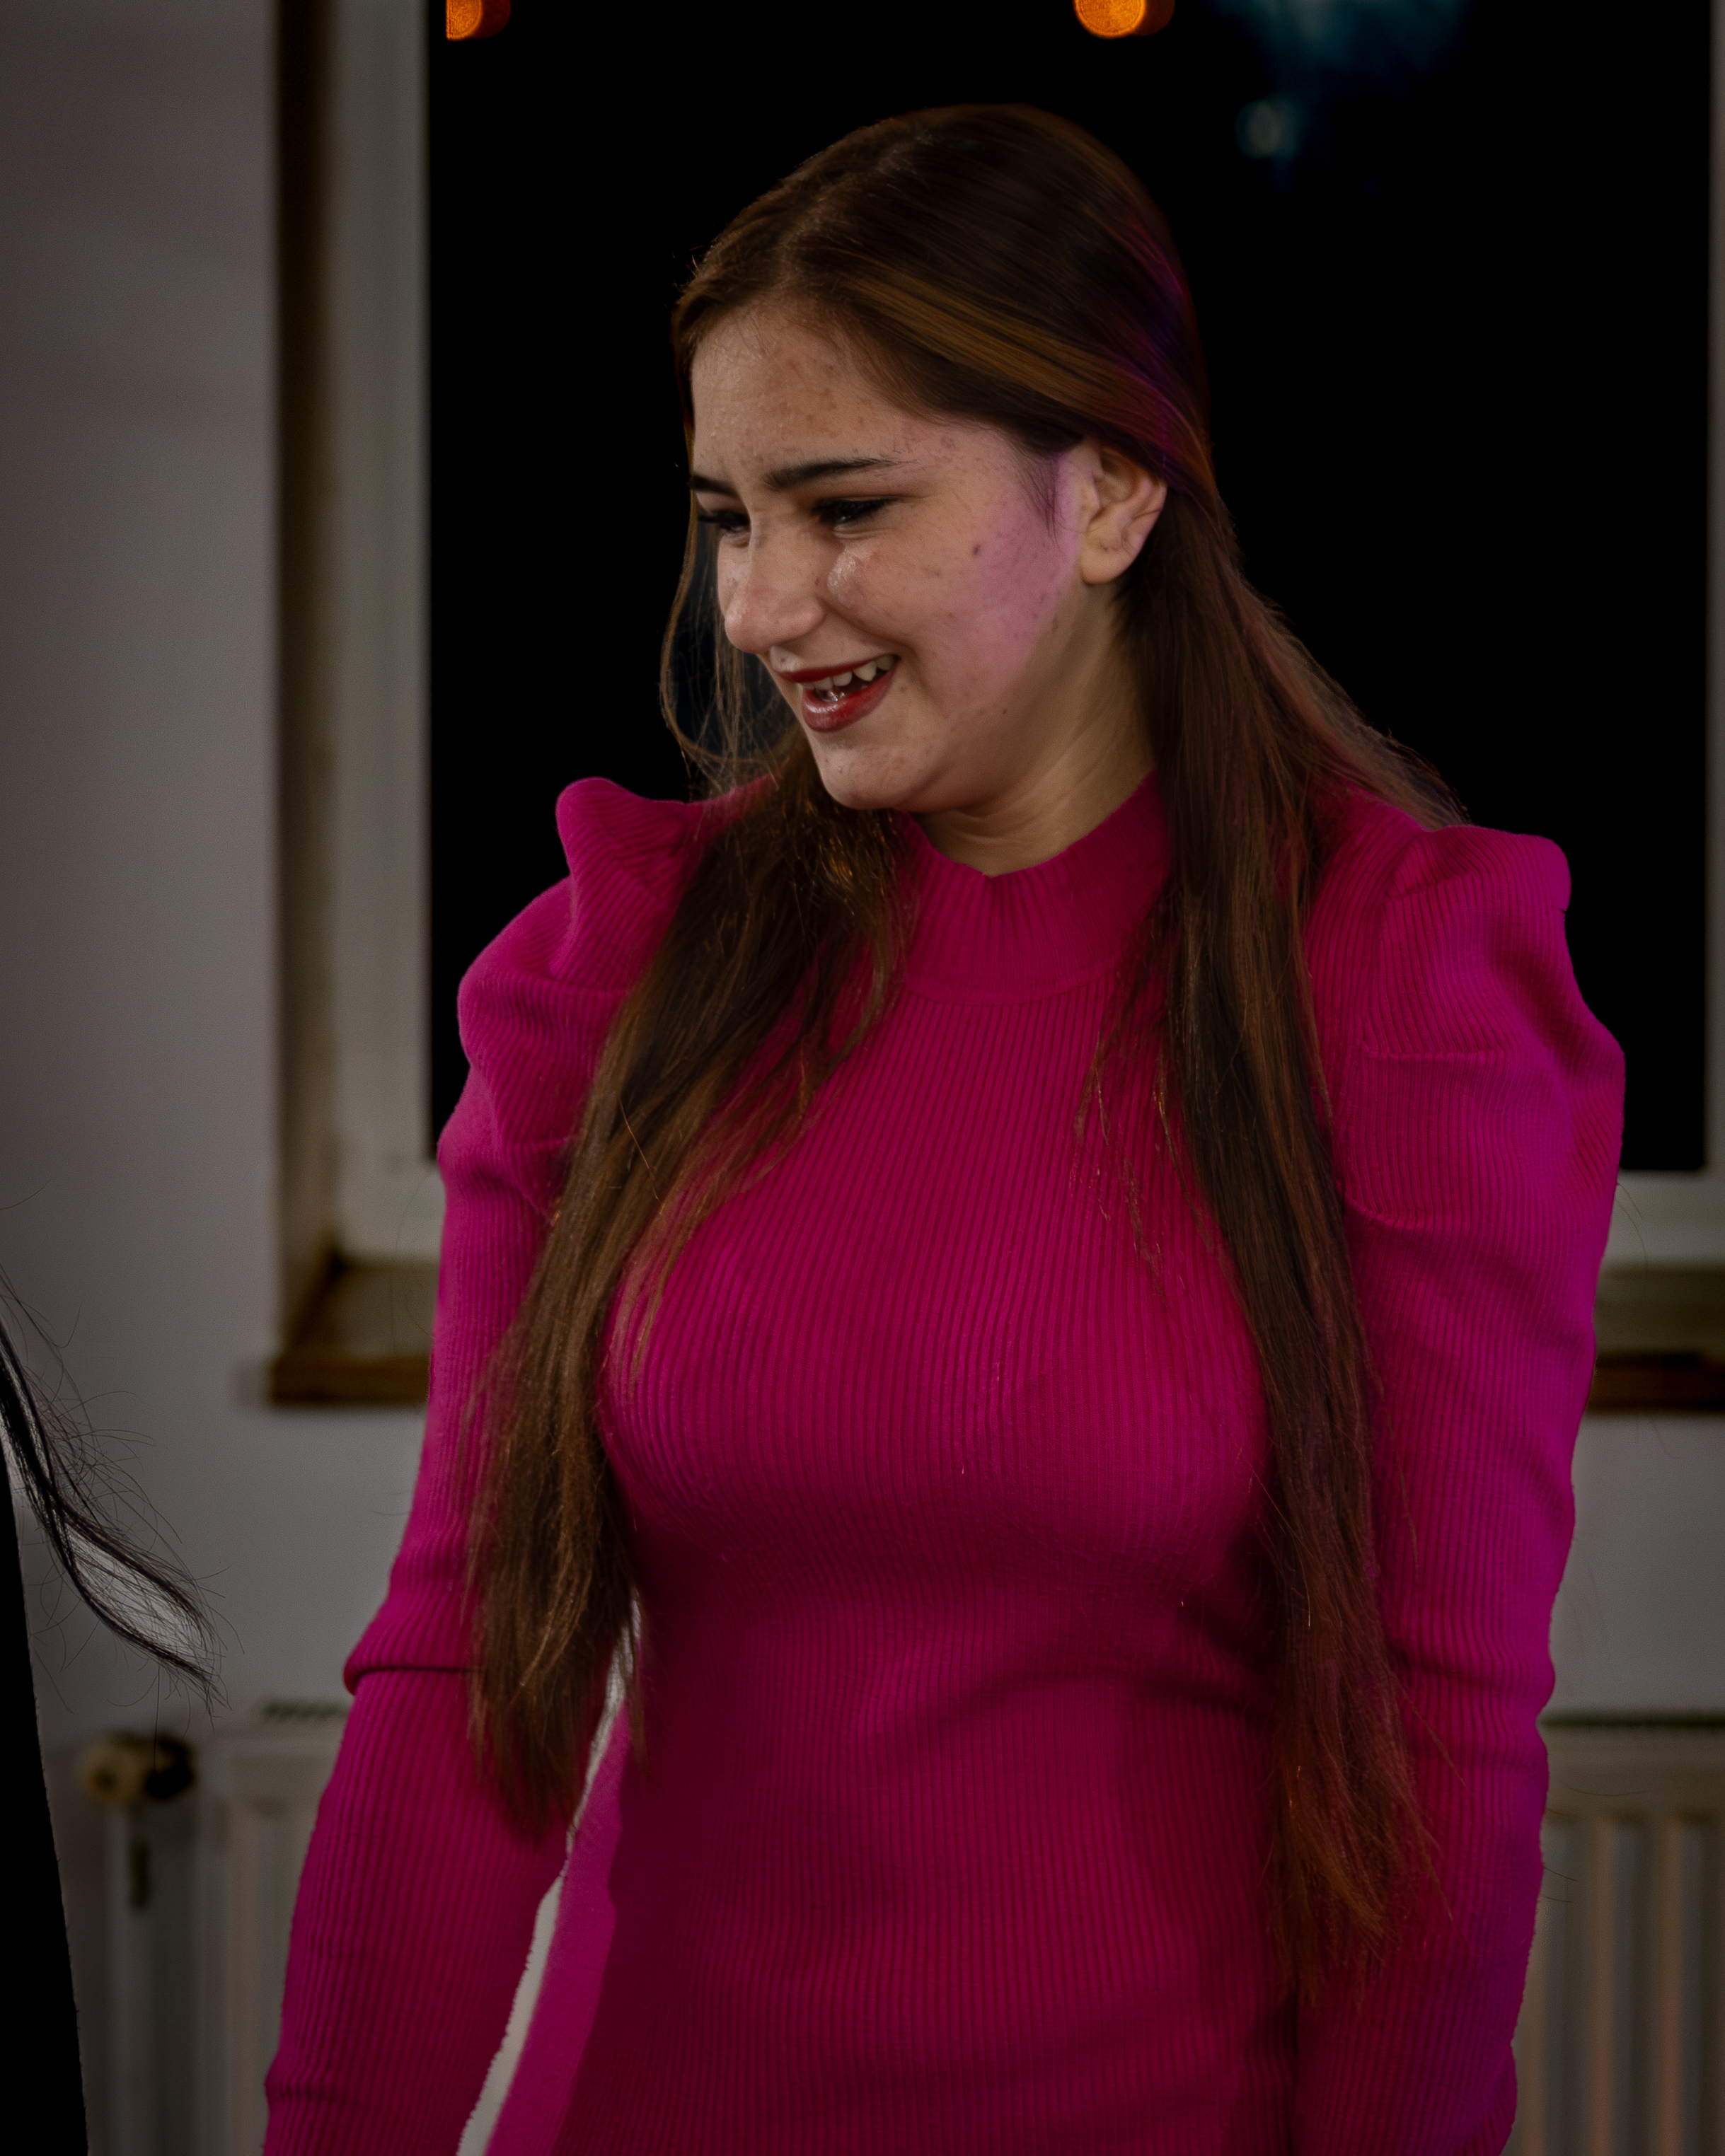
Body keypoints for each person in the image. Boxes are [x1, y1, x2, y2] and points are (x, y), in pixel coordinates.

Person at [265, 105, 1622, 2152]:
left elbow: (1439, 1754)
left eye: (845, 506)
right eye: (728, 517)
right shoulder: (611, 970)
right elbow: (470, 1681)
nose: (758, 604)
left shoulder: (1398, 987)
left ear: (1115, 493)